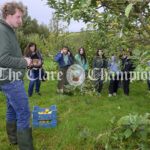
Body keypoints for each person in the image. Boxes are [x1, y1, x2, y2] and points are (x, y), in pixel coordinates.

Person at [0, 2, 34, 150]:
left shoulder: (7, 29)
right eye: (18, 17)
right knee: (24, 112)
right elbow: (2, 58)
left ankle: (14, 140)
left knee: (12, 109)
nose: (20, 21)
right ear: (8, 15)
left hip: (8, 78)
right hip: (11, 80)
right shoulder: (2, 31)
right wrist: (23, 61)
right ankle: (26, 147)